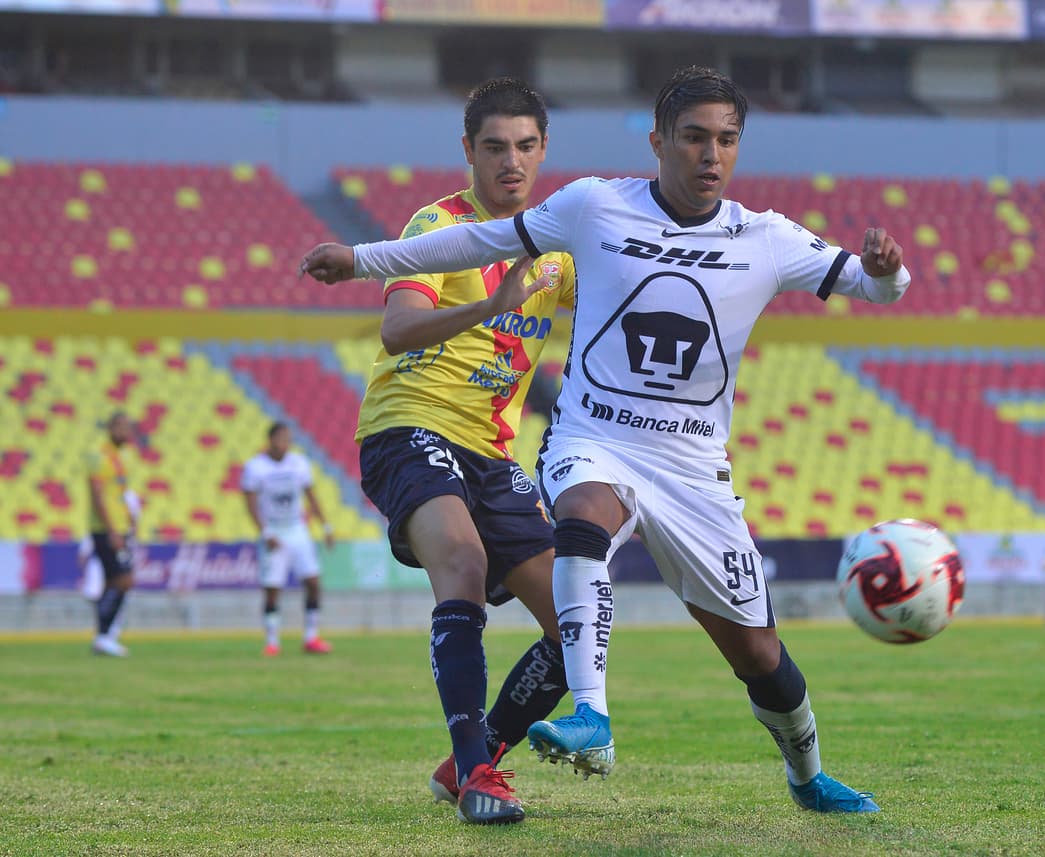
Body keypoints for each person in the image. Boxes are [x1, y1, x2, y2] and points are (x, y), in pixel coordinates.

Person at [301, 66, 910, 814]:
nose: (710, 155)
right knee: (545, 528)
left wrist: (890, 272)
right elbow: (470, 245)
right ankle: (565, 730)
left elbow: (875, 288)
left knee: (747, 652)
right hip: (527, 434)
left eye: (725, 140)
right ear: (658, 142)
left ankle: (807, 774)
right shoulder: (581, 207)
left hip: (682, 467)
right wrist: (361, 260)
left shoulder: (760, 237)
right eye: (693, 138)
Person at [348, 78, 578, 825]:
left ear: (544, 150)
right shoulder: (439, 224)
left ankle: (466, 765)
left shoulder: (557, 249)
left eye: (525, 146)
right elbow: (397, 329)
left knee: (576, 627)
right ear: (468, 153)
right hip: (407, 423)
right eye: (494, 147)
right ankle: (480, 769)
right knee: (466, 565)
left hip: (491, 448)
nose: (510, 161)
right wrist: (490, 306)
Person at [241, 422, 335, 656]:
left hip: (297, 529)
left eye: (289, 439)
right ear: (271, 440)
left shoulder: (299, 463)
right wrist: (265, 533)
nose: (286, 443)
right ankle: (272, 641)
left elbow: (311, 495)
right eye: (282, 438)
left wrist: (326, 526)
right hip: (273, 531)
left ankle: (311, 637)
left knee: (313, 582)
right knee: (272, 588)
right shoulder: (255, 467)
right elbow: (250, 505)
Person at [86, 411, 138, 657]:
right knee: (123, 581)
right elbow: (97, 495)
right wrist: (112, 530)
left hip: (120, 527)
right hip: (106, 530)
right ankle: (105, 634)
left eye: (129, 427)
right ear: (111, 428)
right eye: (122, 427)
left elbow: (121, 493)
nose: (127, 432)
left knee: (111, 582)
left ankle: (103, 635)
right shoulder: (99, 455)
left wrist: (130, 519)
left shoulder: (123, 456)